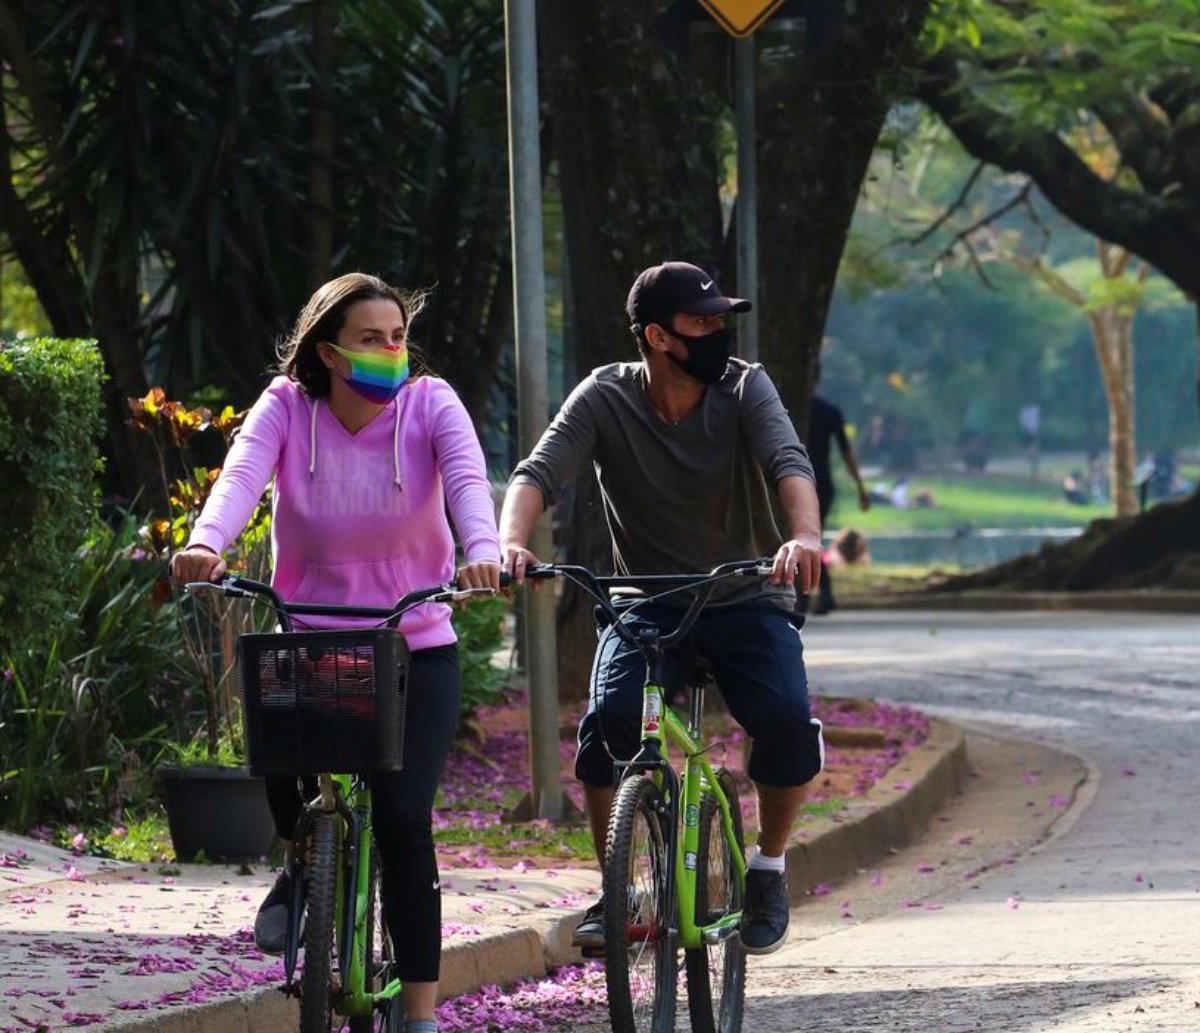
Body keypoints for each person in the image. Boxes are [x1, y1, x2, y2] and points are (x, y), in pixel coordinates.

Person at [169, 272, 501, 1033]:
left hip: (416, 646)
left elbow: (467, 483)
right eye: (371, 339)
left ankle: (418, 1015)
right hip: (311, 643)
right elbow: (241, 477)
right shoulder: (288, 407)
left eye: (398, 337)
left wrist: (481, 550)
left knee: (403, 818)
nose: (392, 351)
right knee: (284, 785)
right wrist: (204, 543)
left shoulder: (430, 403)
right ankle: (302, 858)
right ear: (328, 351)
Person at [500, 260, 826, 956]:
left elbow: (788, 463)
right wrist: (509, 543)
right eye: (700, 322)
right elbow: (538, 472)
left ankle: (767, 868)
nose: (716, 333)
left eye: (719, 320)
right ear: (657, 336)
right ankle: (619, 888)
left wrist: (804, 537)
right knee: (609, 725)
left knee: (784, 720)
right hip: (646, 601)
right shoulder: (605, 396)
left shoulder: (744, 385)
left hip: (745, 593)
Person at [804, 363, 870, 615]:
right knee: (810, 538)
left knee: (803, 538)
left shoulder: (786, 410)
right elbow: (847, 453)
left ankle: (814, 594)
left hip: (803, 483)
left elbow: (846, 452)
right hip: (822, 484)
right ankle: (819, 594)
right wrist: (860, 488)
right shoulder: (829, 411)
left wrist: (861, 489)